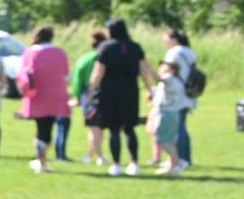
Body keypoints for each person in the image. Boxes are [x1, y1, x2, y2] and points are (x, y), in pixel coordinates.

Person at [88, 18, 156, 177]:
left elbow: (99, 71)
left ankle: (116, 164)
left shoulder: (105, 47)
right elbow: (144, 70)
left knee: (114, 129)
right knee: (129, 128)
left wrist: (91, 91)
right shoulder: (135, 47)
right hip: (130, 91)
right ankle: (134, 163)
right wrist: (149, 89)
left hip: (109, 92)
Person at [17, 26, 71, 173]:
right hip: (56, 96)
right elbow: (67, 76)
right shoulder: (60, 53)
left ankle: (40, 160)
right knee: (48, 128)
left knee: (41, 128)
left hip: (36, 96)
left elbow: (24, 75)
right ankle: (42, 159)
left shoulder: (30, 52)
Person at [71, 29, 108, 165]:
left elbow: (77, 79)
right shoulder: (107, 57)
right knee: (100, 127)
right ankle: (95, 155)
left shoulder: (85, 59)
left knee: (93, 127)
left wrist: (76, 96)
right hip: (104, 93)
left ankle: (95, 155)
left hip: (88, 94)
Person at [162, 28, 197, 170]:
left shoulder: (174, 53)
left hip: (176, 94)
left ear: (174, 39)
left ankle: (180, 158)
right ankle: (184, 157)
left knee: (177, 127)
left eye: (167, 38)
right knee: (182, 125)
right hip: (188, 93)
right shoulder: (190, 52)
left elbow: (166, 71)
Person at [147, 60, 187, 176]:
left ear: (172, 70)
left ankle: (178, 162)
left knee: (162, 140)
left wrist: (148, 67)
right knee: (170, 140)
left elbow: (158, 78)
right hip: (173, 113)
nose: (161, 69)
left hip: (166, 113)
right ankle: (172, 166)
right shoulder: (177, 80)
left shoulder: (169, 78)